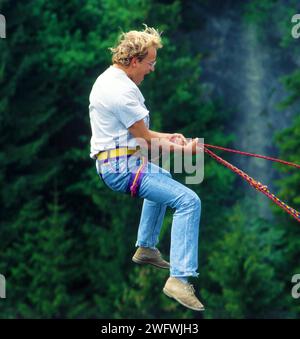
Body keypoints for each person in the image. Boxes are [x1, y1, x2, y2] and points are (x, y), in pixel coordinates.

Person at [89, 25, 204, 311]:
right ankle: (179, 279)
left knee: (162, 178)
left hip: (120, 161)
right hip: (120, 167)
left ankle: (146, 247)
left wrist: (171, 136)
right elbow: (145, 140)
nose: (152, 69)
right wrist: (184, 151)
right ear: (135, 60)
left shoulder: (112, 79)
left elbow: (142, 135)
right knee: (189, 201)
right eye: (150, 63)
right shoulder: (122, 92)